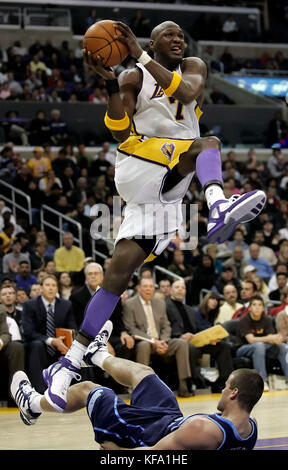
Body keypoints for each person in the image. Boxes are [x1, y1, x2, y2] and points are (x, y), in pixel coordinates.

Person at [41, 20, 266, 412]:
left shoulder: (193, 66)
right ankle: (218, 204)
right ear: (151, 42)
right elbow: (118, 129)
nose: (178, 40)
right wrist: (113, 83)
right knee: (206, 144)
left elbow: (189, 91)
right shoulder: (134, 75)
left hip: (164, 192)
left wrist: (136, 57)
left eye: (181, 35)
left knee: (115, 278)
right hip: (138, 162)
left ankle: (67, 363)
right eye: (169, 35)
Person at [11, 322, 263, 450]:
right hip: (169, 421)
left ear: (234, 393)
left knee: (90, 389)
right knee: (145, 373)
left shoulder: (203, 429)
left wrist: (117, 451)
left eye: (225, 385)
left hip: (145, 434)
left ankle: (33, 404)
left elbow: (153, 455)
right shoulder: (249, 430)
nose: (221, 389)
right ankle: (97, 355)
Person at [123, 277, 192, 397]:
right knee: (144, 345)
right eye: (145, 286)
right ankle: (142, 386)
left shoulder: (160, 303)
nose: (148, 289)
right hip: (143, 341)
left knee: (181, 343)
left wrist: (164, 341)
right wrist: (153, 341)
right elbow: (131, 329)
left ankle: (183, 385)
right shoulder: (130, 304)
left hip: (161, 341)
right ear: (139, 288)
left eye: (151, 287)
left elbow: (166, 325)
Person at [22, 274, 76, 393]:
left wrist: (67, 342)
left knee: (76, 348)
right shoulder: (30, 305)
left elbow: (72, 328)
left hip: (60, 345)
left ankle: (77, 390)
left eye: (53, 285)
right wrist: (52, 341)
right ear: (41, 288)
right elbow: (28, 332)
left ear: (57, 288)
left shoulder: (66, 305)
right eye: (47, 285)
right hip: (37, 345)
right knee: (37, 345)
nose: (50, 288)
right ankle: (40, 391)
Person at [235, 295, 288, 391]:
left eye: (260, 305)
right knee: (259, 345)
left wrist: (278, 339)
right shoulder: (244, 320)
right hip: (243, 348)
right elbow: (250, 340)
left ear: (263, 308)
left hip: (263, 348)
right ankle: (263, 381)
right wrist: (269, 338)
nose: (257, 307)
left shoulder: (267, 319)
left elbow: (272, 339)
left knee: (282, 347)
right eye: (254, 305)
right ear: (250, 308)